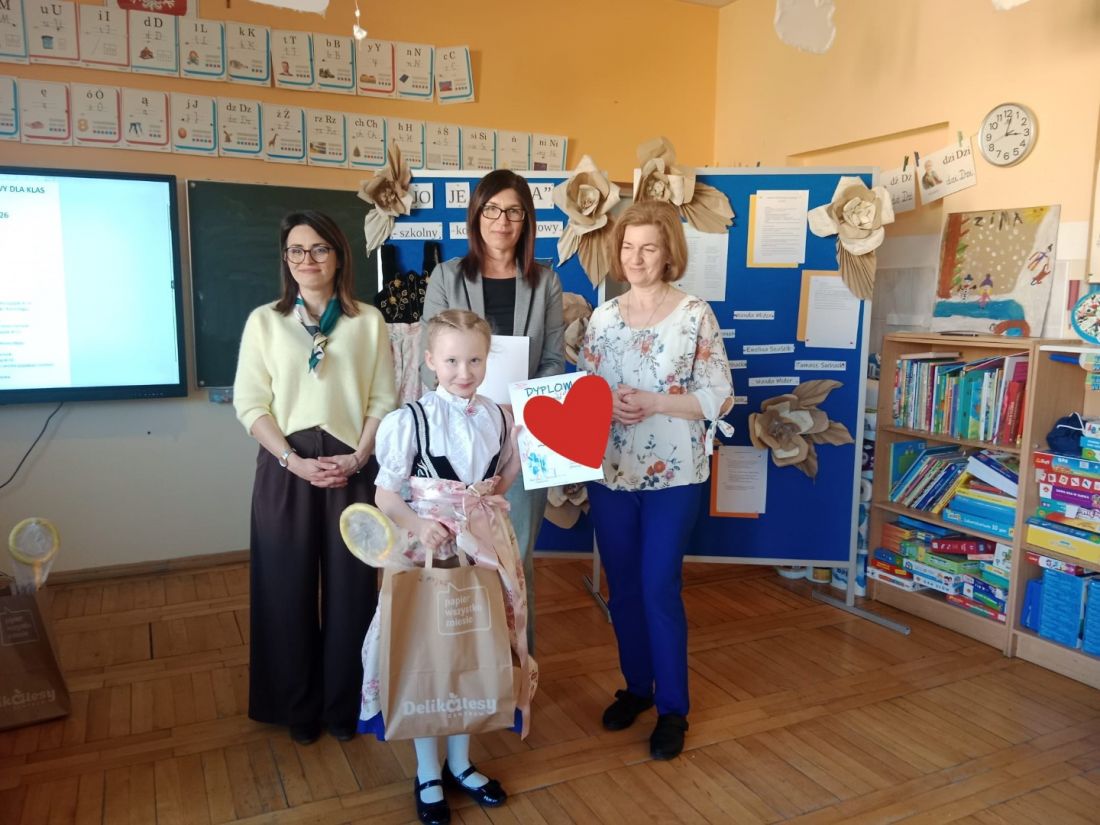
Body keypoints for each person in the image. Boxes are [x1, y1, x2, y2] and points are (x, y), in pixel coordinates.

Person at [577, 200, 733, 761]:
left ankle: (673, 708)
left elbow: (720, 396)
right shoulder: (602, 317)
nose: (636, 258)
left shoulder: (694, 315)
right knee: (623, 589)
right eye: (627, 247)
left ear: (669, 253)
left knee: (658, 586)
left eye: (648, 247)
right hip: (611, 471)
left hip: (675, 474)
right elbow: (585, 393)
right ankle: (637, 687)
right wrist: (603, 404)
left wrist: (655, 402)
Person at [233, 211, 397, 745]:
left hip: (353, 467)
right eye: (297, 250)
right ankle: (296, 705)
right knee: (285, 586)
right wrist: (293, 460)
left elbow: (382, 398)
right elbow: (250, 404)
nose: (308, 259)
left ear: (339, 256)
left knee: (353, 591)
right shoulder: (265, 321)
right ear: (286, 259)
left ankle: (345, 703)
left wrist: (359, 456)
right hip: (287, 466)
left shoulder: (367, 321)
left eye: (320, 249)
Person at [365, 309, 533, 825]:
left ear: (487, 360)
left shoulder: (498, 417)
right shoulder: (411, 420)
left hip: (483, 548)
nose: (465, 371)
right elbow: (385, 494)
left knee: (473, 647)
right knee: (429, 652)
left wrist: (509, 461)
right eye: (453, 360)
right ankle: (427, 771)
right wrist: (419, 525)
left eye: (475, 360)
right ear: (431, 361)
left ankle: (460, 763)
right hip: (428, 554)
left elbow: (499, 479)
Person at [420, 169, 565, 653]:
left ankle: (518, 665)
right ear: (476, 215)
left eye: (514, 211)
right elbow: (430, 359)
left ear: (527, 220)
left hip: (523, 434)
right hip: (459, 437)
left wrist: (519, 405)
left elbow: (553, 359)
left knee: (516, 555)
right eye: (492, 209)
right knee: (460, 554)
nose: (503, 221)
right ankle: (467, 663)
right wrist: (474, 405)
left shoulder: (545, 281)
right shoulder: (447, 277)